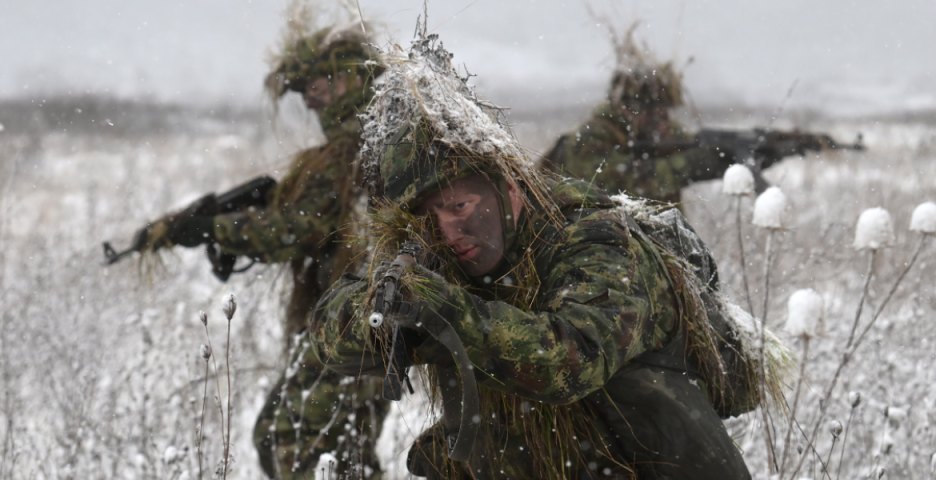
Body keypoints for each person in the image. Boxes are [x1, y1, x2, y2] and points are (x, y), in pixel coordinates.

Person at [311, 32, 791, 480]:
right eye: (429, 216)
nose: (448, 230)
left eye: (460, 205)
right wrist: (378, 312)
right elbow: (328, 337)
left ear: (511, 190)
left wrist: (448, 314)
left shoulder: (599, 240)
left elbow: (568, 359)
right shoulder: (441, 249)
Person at [137, 20, 387, 480]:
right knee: (337, 449)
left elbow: (297, 228)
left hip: (357, 322)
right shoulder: (372, 145)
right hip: (362, 320)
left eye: (314, 85)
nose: (309, 99)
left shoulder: (355, 150)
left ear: (348, 77)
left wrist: (212, 228)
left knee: (288, 441)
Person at [542, 29, 738, 204]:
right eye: (653, 111)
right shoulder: (587, 140)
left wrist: (734, 155)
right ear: (626, 107)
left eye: (665, 111)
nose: (663, 120)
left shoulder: (660, 133)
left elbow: (699, 150)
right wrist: (688, 165)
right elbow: (618, 184)